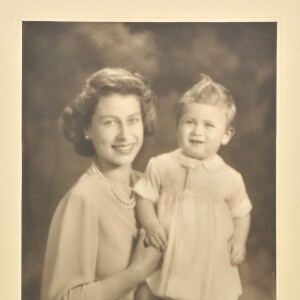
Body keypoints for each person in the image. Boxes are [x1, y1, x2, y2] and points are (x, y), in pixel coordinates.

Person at [40, 68, 162, 300]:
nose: (125, 135)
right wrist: (136, 273)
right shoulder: (82, 199)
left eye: (133, 120)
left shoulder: (150, 185)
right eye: (110, 123)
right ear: (87, 129)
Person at [134, 74, 252, 300]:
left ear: (226, 135)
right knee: (152, 291)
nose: (197, 131)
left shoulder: (230, 178)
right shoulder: (161, 165)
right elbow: (144, 197)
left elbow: (242, 213)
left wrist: (239, 240)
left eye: (209, 125)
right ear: (178, 127)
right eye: (190, 122)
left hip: (210, 265)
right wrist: (151, 224)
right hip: (171, 258)